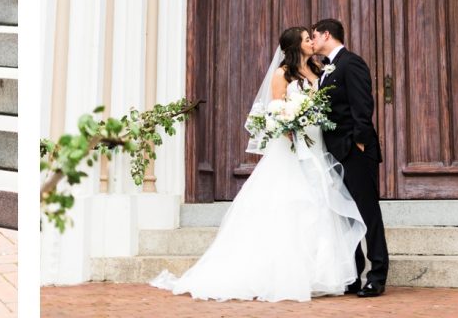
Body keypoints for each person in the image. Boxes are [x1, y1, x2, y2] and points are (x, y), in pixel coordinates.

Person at [151, 26, 366, 302]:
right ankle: (287, 274)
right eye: (306, 39)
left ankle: (318, 273)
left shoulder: (319, 70)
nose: (311, 41)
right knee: (296, 207)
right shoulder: (281, 75)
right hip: (293, 149)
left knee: (322, 205)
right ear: (295, 46)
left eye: (312, 38)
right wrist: (291, 122)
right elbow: (276, 111)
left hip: (318, 146)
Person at [311, 18, 389, 297]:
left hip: (354, 152)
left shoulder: (350, 63)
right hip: (334, 154)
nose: (312, 41)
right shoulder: (325, 70)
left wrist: (358, 143)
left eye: (314, 36)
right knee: (347, 216)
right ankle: (353, 275)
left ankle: (377, 276)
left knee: (368, 214)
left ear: (326, 34)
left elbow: (363, 106)